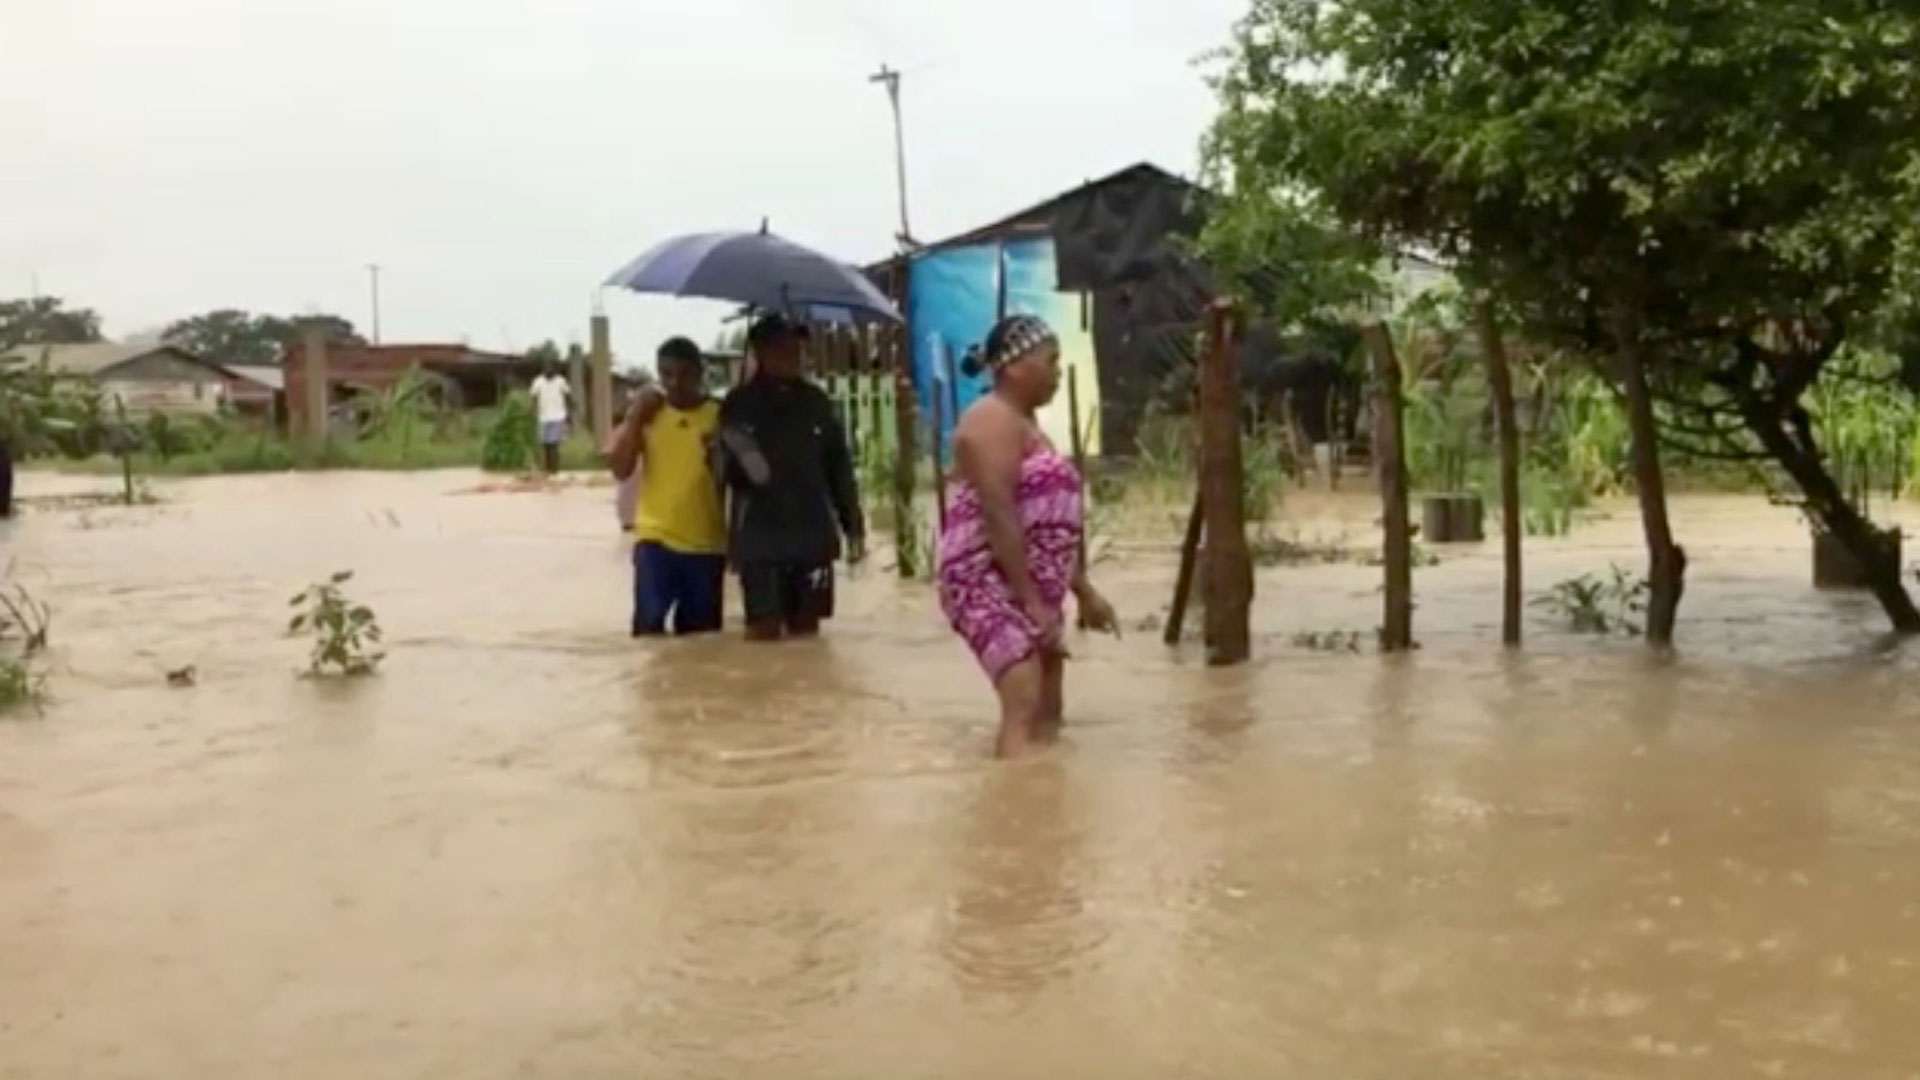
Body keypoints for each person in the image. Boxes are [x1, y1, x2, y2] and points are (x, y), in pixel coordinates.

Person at [938, 314, 1117, 758]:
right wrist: (1031, 603)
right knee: (1023, 694)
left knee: (1048, 706)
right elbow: (1000, 514)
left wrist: (1084, 591)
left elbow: (1044, 524)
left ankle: (1046, 807)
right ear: (1015, 366)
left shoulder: (1027, 426)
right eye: (1051, 361)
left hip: (1028, 580)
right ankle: (1013, 806)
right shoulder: (989, 420)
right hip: (985, 577)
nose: (1058, 373)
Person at [716, 313, 864, 641]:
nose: (794, 354)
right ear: (760, 352)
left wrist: (853, 526)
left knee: (807, 637)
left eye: (797, 347)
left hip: (812, 538)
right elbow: (722, 477)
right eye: (783, 347)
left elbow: (839, 467)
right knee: (762, 633)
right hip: (760, 540)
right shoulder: (737, 405)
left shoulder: (817, 403)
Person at [607, 337, 727, 636]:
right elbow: (621, 469)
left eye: (684, 374)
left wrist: (719, 454)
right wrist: (635, 417)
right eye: (666, 374)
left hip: (707, 545)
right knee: (648, 636)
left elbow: (736, 480)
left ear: (700, 374)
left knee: (702, 644)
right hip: (655, 542)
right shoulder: (648, 415)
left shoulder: (721, 416)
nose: (675, 383)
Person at [529, 361, 571, 475]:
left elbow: (567, 396)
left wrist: (569, 414)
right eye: (547, 370)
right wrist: (532, 412)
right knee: (545, 444)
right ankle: (547, 468)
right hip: (543, 417)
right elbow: (533, 398)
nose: (549, 372)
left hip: (558, 416)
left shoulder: (561, 381)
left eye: (551, 370)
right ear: (543, 371)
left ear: (555, 371)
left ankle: (554, 469)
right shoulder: (538, 382)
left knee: (554, 444)